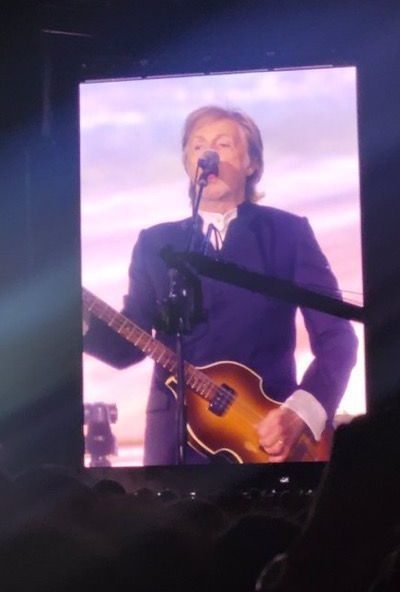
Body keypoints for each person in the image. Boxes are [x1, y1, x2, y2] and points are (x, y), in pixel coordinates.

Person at [83, 105, 358, 465]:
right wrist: (80, 320)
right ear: (188, 165)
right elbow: (128, 347)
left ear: (252, 164)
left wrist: (299, 413)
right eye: (198, 147)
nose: (208, 155)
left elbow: (337, 338)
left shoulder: (287, 234)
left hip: (266, 437)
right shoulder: (155, 243)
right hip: (173, 444)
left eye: (223, 145)